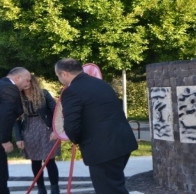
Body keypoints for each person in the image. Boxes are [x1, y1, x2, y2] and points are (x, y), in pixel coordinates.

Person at [54, 58, 137, 194]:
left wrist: (75, 138)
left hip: (102, 149)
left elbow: (72, 124)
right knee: (115, 186)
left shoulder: (71, 91)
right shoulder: (101, 84)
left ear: (64, 74)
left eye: (57, 76)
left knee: (109, 189)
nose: (59, 79)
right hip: (122, 142)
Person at [13, 75, 61, 194]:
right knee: (35, 161)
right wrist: (18, 138)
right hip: (29, 130)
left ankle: (55, 188)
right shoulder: (18, 97)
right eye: (25, 81)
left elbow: (55, 110)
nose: (28, 83)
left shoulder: (43, 93)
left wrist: (56, 130)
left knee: (50, 160)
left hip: (47, 129)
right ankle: (41, 188)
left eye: (30, 81)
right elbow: (15, 120)